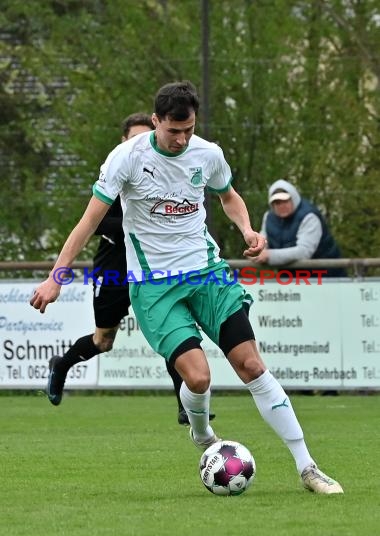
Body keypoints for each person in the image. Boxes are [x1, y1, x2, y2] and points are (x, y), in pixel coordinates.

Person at [31, 80, 343, 494]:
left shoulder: (207, 154)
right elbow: (88, 222)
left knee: (251, 365)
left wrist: (248, 229)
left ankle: (307, 467)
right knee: (198, 380)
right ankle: (201, 432)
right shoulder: (126, 159)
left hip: (207, 273)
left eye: (188, 130)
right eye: (172, 130)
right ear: (156, 120)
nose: (181, 139)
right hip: (154, 286)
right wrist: (57, 276)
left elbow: (227, 196)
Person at [47, 111, 214, 425]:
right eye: (133, 138)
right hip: (114, 271)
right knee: (103, 341)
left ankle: (184, 405)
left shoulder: (164, 172)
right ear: (124, 141)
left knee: (174, 332)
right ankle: (62, 364)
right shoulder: (116, 173)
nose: (140, 143)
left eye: (143, 136)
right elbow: (94, 223)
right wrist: (143, 222)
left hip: (153, 271)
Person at [255, 179, 346, 277]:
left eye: (285, 201)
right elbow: (263, 240)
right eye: (277, 203)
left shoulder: (309, 216)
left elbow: (304, 251)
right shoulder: (268, 217)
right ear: (272, 205)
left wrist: (269, 256)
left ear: (293, 199)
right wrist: (257, 251)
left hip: (326, 277)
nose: (282, 206)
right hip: (290, 278)